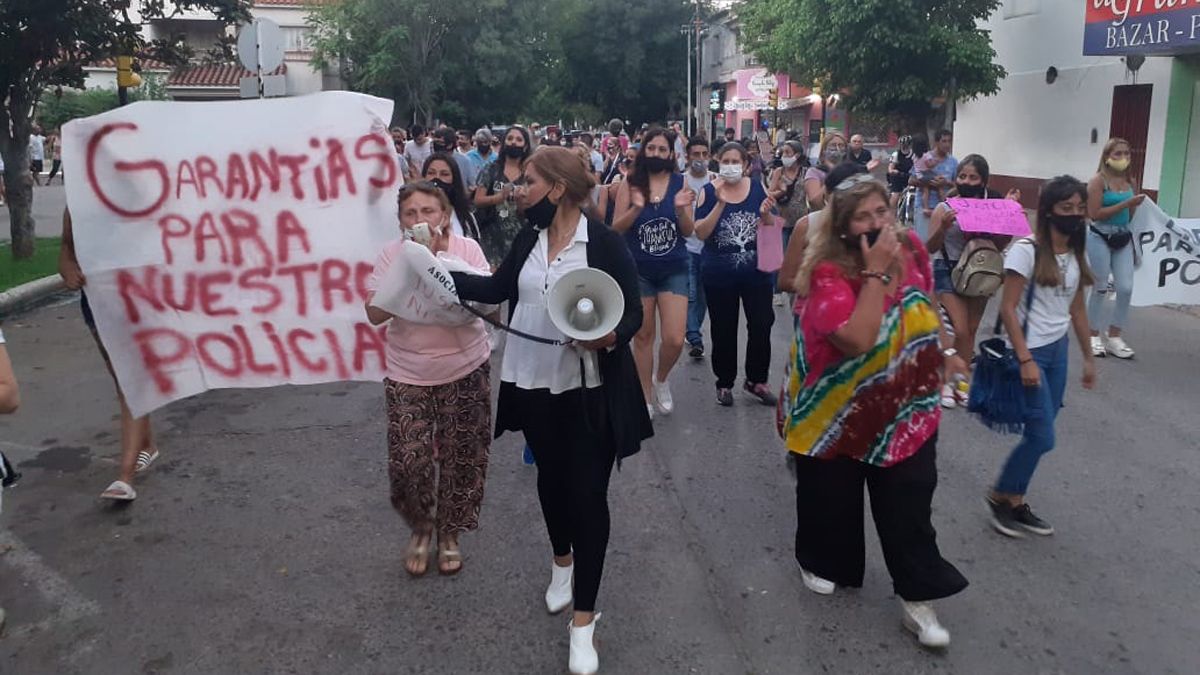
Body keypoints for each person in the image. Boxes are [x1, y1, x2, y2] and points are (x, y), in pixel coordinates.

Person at [450, 146, 652, 675]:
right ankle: (561, 561)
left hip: (590, 393)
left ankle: (583, 623)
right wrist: (438, 276)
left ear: (557, 189)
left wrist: (609, 336)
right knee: (551, 483)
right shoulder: (527, 239)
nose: (519, 191)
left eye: (528, 183)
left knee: (588, 495)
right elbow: (495, 288)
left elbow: (631, 311)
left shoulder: (603, 243)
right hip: (534, 383)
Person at [782, 168, 969, 648]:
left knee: (909, 501)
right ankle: (823, 560)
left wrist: (946, 353)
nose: (876, 222)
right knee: (831, 495)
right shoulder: (825, 272)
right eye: (862, 216)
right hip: (835, 409)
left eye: (882, 211)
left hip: (905, 404)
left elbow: (924, 299)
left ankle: (918, 596)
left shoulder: (911, 249)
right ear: (843, 227)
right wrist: (877, 273)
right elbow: (857, 339)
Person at [364, 182, 493, 577]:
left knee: (463, 457)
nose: (419, 220)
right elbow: (375, 314)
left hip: (465, 366)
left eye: (428, 212)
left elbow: (486, 301)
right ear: (400, 221)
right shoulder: (391, 256)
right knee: (409, 461)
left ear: (445, 215)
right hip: (409, 372)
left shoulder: (467, 250)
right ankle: (421, 527)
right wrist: (412, 263)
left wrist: (440, 264)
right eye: (410, 214)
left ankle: (449, 534)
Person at [988, 176, 1098, 538]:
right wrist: (1024, 359)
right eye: (1067, 208)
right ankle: (999, 494)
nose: (1075, 215)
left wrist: (1088, 358)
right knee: (1043, 437)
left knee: (1040, 431)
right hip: (1031, 350)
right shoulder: (1026, 250)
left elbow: (1077, 309)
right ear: (1049, 210)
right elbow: (1007, 308)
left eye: (1080, 208)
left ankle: (1015, 500)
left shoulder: (1076, 253)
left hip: (1058, 351)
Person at [59, 209, 161, 501]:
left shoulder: (140, 189)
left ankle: (125, 476)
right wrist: (68, 268)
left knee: (129, 382)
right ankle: (148, 445)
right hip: (98, 303)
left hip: (140, 298)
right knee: (124, 379)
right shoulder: (77, 199)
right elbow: (67, 247)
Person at [612, 129, 696, 418]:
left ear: (671, 154)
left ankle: (661, 380)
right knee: (643, 337)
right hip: (638, 270)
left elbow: (688, 230)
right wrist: (636, 208)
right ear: (644, 150)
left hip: (673, 267)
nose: (657, 154)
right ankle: (645, 395)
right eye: (652, 149)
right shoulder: (630, 182)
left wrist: (682, 211)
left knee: (674, 338)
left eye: (663, 149)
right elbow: (616, 230)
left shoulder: (680, 182)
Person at [926, 154, 1015, 408]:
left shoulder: (993, 207)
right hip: (947, 269)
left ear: (984, 180)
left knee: (972, 330)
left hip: (981, 271)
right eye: (963, 176)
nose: (967, 181)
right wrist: (943, 227)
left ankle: (961, 383)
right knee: (960, 328)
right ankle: (945, 380)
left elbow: (1000, 245)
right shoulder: (945, 207)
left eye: (973, 177)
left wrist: (1006, 224)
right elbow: (930, 247)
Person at [693, 141, 778, 407]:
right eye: (726, 161)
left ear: (745, 165)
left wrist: (765, 216)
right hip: (719, 274)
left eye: (736, 162)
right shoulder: (708, 191)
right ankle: (725, 382)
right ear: (718, 163)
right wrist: (719, 204)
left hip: (757, 273)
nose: (731, 166)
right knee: (724, 329)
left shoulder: (757, 187)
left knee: (762, 324)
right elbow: (700, 233)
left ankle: (756, 380)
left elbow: (772, 227)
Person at [1085, 138, 1144, 359]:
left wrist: (1131, 211)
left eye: (1127, 154)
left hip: (1122, 237)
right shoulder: (1098, 181)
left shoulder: (1130, 181)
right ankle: (1092, 334)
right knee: (1100, 285)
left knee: (1126, 287)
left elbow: (1133, 215)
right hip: (1100, 235)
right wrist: (1125, 205)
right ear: (1107, 157)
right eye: (1118, 154)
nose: (1123, 158)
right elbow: (1094, 213)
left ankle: (1114, 335)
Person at [474, 126, 532, 268]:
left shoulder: (530, 172)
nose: (513, 142)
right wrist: (498, 198)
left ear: (525, 146)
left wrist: (521, 202)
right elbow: (477, 200)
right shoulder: (491, 169)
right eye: (510, 138)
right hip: (492, 237)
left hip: (521, 236)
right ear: (503, 143)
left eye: (519, 140)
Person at [682, 136, 716, 359]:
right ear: (687, 157)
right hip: (686, 247)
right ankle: (694, 336)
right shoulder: (680, 182)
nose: (701, 159)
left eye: (704, 154)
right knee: (691, 294)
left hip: (710, 248)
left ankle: (693, 328)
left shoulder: (717, 181)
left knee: (702, 296)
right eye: (696, 154)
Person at [767, 140, 809, 305]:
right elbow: (770, 193)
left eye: (787, 153)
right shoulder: (778, 171)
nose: (784, 156)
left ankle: (795, 287)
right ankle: (776, 290)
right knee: (780, 257)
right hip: (782, 220)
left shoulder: (805, 172)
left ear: (797, 155)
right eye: (782, 153)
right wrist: (781, 191)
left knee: (799, 257)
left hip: (801, 221)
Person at [910, 130, 957, 240]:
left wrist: (945, 182)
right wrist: (928, 182)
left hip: (944, 209)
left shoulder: (954, 162)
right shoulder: (924, 156)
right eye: (943, 141)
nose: (947, 145)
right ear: (936, 142)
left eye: (949, 141)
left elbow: (957, 186)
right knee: (924, 242)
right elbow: (911, 180)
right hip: (924, 208)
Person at [423, 153, 480, 240]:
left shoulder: (466, 217)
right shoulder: (415, 217)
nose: (437, 178)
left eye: (444, 174)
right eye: (431, 173)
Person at [803, 131, 847, 212]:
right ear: (824, 150)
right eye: (833, 145)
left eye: (841, 145)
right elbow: (814, 202)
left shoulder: (849, 171)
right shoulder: (814, 172)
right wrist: (833, 175)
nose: (837, 148)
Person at [887, 135, 916, 208]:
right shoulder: (896, 154)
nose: (904, 146)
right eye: (902, 144)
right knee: (895, 194)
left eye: (906, 144)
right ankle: (891, 214)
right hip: (898, 177)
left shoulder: (914, 154)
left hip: (910, 177)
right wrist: (894, 171)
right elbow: (890, 169)